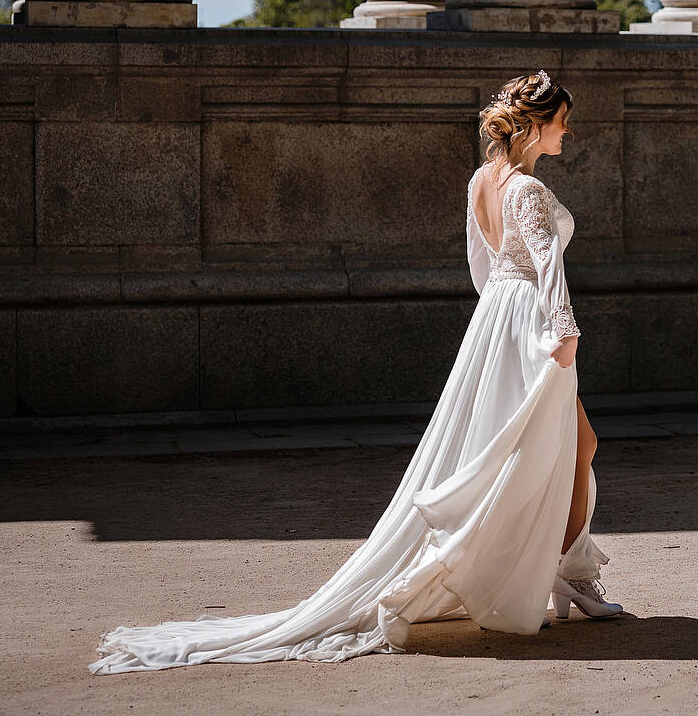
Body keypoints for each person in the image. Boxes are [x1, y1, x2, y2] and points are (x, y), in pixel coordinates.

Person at [91, 69, 620, 675]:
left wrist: (493, 326)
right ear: (534, 124)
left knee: (550, 449)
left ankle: (563, 574)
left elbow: (483, 264)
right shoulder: (524, 189)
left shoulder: (482, 182)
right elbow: (548, 265)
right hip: (533, 324)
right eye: (561, 121)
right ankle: (568, 576)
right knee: (558, 448)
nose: (567, 131)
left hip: (498, 319)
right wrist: (564, 329)